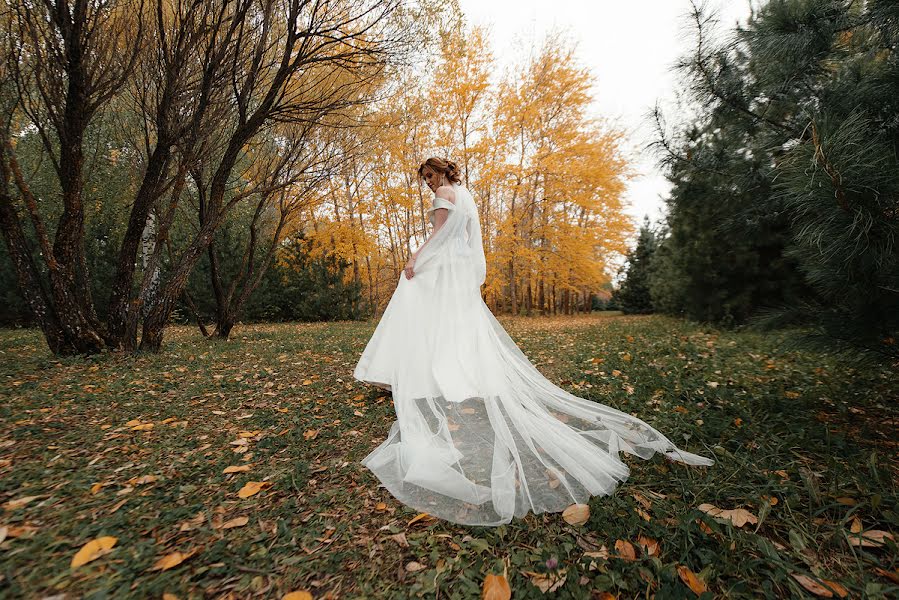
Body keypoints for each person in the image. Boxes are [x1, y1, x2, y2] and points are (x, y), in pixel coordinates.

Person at [353, 157, 713, 526]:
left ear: (442, 172)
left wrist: (416, 257)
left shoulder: (446, 193)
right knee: (454, 323)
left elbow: (440, 235)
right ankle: (442, 370)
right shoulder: (464, 193)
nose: (429, 183)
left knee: (413, 295)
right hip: (459, 265)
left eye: (430, 175)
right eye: (425, 179)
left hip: (444, 261)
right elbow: (465, 240)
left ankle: (406, 370)